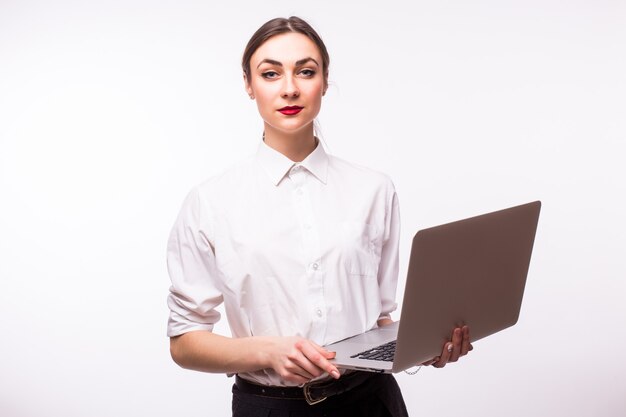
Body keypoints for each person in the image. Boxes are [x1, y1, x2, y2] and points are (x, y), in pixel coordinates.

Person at [166, 16, 472, 417]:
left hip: (371, 402)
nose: (290, 88)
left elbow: (379, 321)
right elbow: (184, 340)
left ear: (324, 81)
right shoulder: (210, 201)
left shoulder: (374, 189)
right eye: (270, 73)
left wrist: (428, 347)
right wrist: (266, 349)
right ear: (248, 84)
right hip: (270, 407)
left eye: (306, 71)